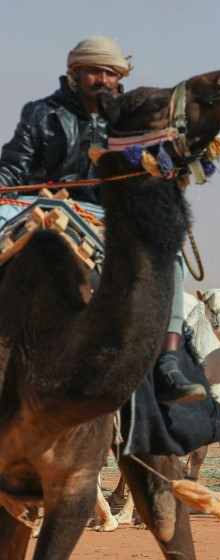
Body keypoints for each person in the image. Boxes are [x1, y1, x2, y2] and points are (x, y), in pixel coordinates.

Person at [0, 35, 206, 404]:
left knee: (169, 254)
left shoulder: (133, 122)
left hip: (106, 215)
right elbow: (15, 166)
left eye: (112, 73)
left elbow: (152, 169)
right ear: (76, 72)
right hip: (37, 205)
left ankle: (168, 364)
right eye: (95, 71)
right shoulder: (42, 114)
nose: (104, 80)